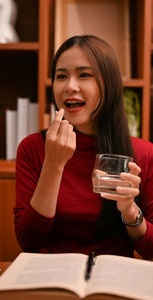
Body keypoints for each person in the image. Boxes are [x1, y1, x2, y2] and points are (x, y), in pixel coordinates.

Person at [14, 35, 153, 259]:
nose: (70, 86)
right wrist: (53, 164)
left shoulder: (143, 154)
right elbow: (29, 242)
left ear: (108, 84)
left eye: (84, 75)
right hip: (50, 275)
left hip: (112, 278)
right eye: (61, 76)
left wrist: (130, 211)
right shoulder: (32, 148)